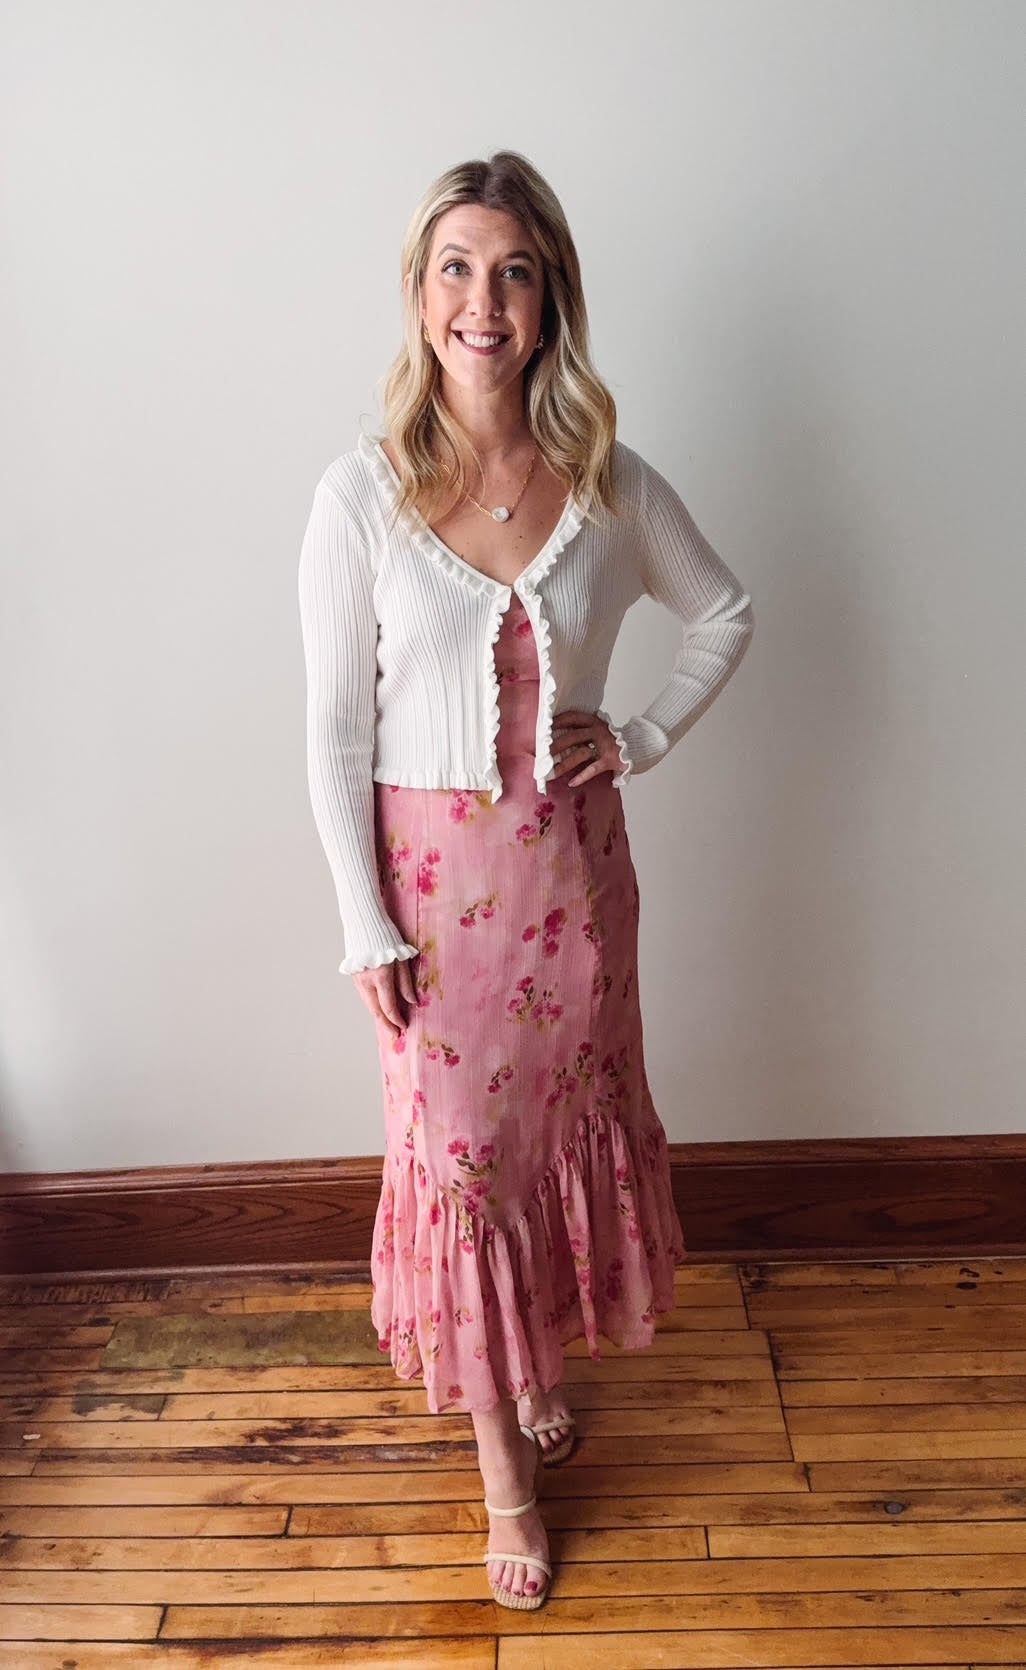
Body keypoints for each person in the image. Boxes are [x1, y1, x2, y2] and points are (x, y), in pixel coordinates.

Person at [297, 150, 754, 1612]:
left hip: (572, 884)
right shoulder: (360, 492)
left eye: (510, 270)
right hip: (429, 904)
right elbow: (332, 725)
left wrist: (639, 733)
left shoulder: (608, 485)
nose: (478, 301)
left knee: (556, 1143)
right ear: (417, 294)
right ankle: (504, 1468)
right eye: (452, 268)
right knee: (461, 1171)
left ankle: (534, 1365)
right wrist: (360, 917)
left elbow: (723, 610)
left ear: (549, 295)